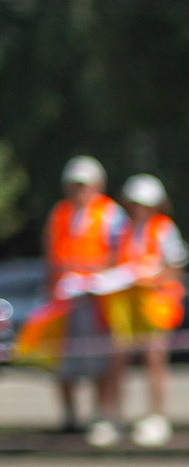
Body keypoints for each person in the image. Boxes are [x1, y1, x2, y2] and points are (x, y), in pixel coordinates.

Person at [43, 156, 129, 445]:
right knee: (64, 363)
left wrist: (96, 277)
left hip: (98, 299)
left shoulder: (110, 214)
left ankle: (102, 416)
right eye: (74, 185)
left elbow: (120, 256)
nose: (78, 190)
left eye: (84, 184)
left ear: (97, 185)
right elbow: (51, 257)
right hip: (64, 299)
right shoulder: (60, 213)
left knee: (99, 361)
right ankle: (70, 418)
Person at [110, 174, 187, 448]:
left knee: (154, 360)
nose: (139, 208)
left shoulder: (164, 229)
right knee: (119, 359)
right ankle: (115, 416)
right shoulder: (123, 230)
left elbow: (175, 268)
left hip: (155, 305)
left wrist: (151, 276)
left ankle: (157, 416)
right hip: (127, 305)